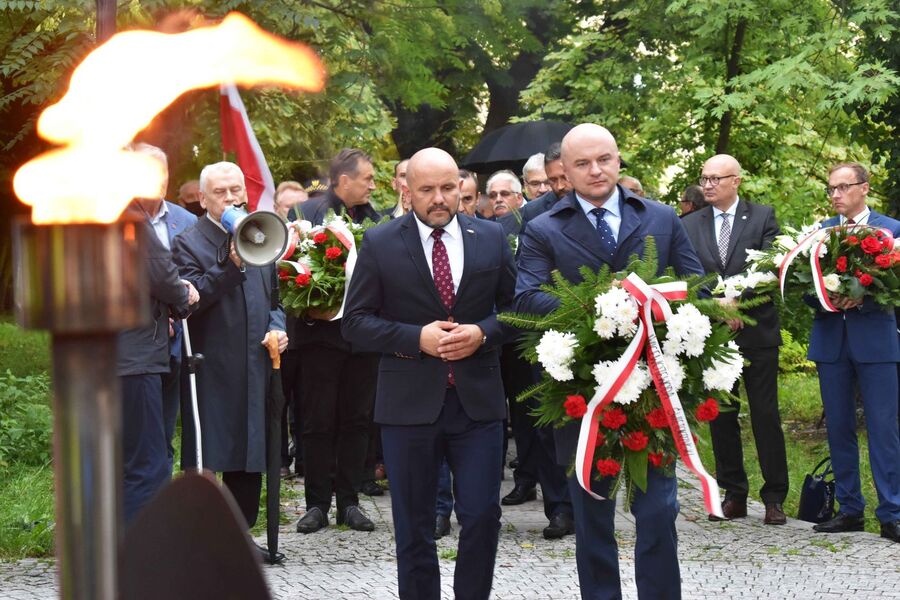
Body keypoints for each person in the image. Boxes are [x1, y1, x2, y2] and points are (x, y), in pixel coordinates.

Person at [516, 123, 703, 599]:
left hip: (653, 382)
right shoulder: (541, 228)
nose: (596, 170)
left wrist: (654, 304)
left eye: (604, 159)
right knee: (593, 512)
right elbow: (527, 297)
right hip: (582, 389)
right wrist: (601, 301)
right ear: (565, 171)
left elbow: (695, 283)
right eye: (582, 163)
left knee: (660, 508)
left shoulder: (661, 217)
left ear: (619, 160)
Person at [342, 147, 516, 600]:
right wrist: (413, 337)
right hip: (407, 405)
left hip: (478, 403)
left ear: (460, 186)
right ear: (406, 191)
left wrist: (483, 332)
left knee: (481, 516)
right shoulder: (380, 242)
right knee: (414, 523)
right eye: (426, 190)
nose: (438, 199)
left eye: (447, 187)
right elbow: (355, 322)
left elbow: (519, 311)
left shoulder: (492, 237)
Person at [172, 161, 288, 531]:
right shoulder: (187, 243)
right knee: (209, 450)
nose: (230, 198)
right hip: (211, 366)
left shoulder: (261, 233)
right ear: (203, 199)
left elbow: (275, 301)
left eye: (235, 190)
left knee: (250, 450)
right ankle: (203, 538)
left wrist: (278, 329)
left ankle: (239, 535)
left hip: (255, 363)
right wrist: (231, 265)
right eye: (219, 192)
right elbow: (189, 301)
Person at [682, 154, 789, 525]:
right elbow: (685, 273)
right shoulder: (689, 223)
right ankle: (734, 493)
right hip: (713, 335)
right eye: (704, 178)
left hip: (757, 332)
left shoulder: (762, 216)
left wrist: (738, 302)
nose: (708, 185)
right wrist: (714, 304)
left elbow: (770, 266)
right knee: (722, 416)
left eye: (716, 179)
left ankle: (774, 497)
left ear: (736, 181)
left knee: (765, 415)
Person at [807, 162, 900, 543]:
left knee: (884, 428)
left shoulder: (891, 230)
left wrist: (860, 297)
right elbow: (801, 287)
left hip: (876, 340)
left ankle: (892, 513)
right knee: (840, 426)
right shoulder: (818, 234)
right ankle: (849, 509)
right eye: (831, 188)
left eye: (844, 187)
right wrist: (826, 296)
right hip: (831, 341)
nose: (836, 194)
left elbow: (893, 287)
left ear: (864, 187)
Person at [293, 148, 382, 534]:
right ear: (344, 180)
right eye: (368, 179)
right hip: (318, 338)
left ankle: (349, 501)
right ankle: (316, 504)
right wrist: (309, 302)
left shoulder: (375, 221)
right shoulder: (304, 216)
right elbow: (286, 271)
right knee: (316, 422)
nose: (374, 185)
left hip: (361, 341)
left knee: (356, 420)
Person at [118, 144, 197, 524]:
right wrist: (183, 295)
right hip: (136, 355)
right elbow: (161, 273)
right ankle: (139, 559)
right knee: (146, 463)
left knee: (121, 460)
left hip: (102, 355)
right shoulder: (131, 216)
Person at [517, 142, 572, 235]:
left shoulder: (596, 195)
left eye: (547, 182)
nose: (559, 186)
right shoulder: (530, 212)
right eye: (553, 180)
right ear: (525, 184)